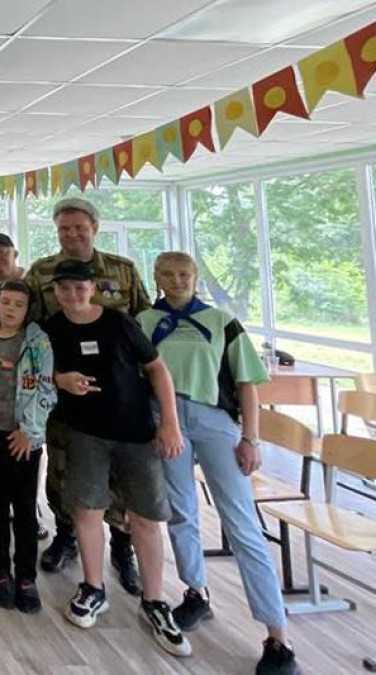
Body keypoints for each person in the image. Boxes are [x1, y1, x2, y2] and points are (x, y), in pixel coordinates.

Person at [137, 252, 298, 674]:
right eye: (168, 274)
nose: (177, 281)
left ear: (195, 277)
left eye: (184, 274)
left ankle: (277, 635)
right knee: (181, 511)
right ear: (156, 278)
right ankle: (196, 591)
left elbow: (246, 384)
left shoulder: (220, 322)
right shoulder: (145, 322)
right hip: (165, 421)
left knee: (241, 522)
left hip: (214, 420)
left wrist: (250, 438)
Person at [43, 258, 189, 658]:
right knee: (86, 510)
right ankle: (93, 587)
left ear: (93, 288)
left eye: (79, 287)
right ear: (55, 291)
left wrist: (169, 423)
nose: (72, 294)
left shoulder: (119, 323)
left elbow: (156, 369)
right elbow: (37, 369)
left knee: (145, 517)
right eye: (64, 288)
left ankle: (154, 600)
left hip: (136, 433)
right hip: (85, 433)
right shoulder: (53, 328)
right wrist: (60, 379)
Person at [25, 197, 151, 595]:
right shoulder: (41, 272)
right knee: (63, 469)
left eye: (79, 227)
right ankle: (66, 536)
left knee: (120, 478)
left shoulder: (122, 270)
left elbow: (144, 322)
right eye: (64, 228)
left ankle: (122, 548)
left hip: (121, 395)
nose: (71, 234)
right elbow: (29, 332)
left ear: (94, 227)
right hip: (64, 395)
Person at [0, 279, 55, 614]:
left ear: (28, 308)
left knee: (25, 508)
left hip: (24, 438)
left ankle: (26, 576)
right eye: (5, 302)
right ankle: (1, 570)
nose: (11, 309)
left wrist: (29, 431)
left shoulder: (38, 341)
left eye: (18, 304)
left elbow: (46, 387)